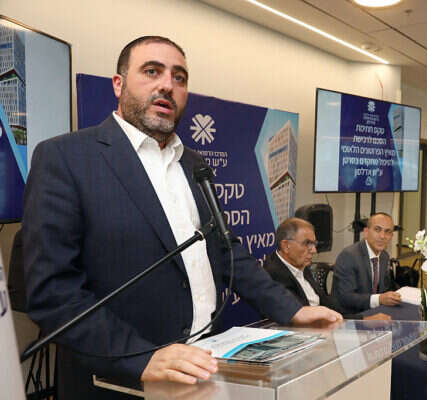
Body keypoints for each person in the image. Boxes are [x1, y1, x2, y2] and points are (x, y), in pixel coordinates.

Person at [22, 36, 340, 400]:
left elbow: (227, 251)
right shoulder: (66, 158)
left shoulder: (193, 163)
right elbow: (53, 292)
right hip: (120, 383)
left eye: (179, 77)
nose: (167, 85)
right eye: (151, 71)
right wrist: (139, 357)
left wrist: (293, 310)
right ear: (118, 84)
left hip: (205, 370)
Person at [264, 218, 390, 320]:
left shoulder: (300, 264)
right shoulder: (272, 275)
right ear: (286, 246)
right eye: (307, 243)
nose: (314, 250)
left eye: (314, 244)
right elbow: (298, 317)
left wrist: (362, 320)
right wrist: (363, 322)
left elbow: (328, 306)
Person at [332, 213, 401, 314]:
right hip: (351, 316)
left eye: (387, 232)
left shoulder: (384, 256)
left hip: (375, 312)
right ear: (366, 232)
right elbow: (346, 297)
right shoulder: (349, 256)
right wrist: (379, 299)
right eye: (377, 230)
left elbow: (385, 288)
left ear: (391, 236)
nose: (382, 236)